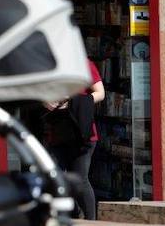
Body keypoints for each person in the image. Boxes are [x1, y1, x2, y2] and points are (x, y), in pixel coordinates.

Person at [42, 58, 104, 220]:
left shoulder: (85, 64)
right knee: (54, 176)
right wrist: (46, 101)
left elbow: (100, 93)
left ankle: (91, 221)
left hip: (81, 132)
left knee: (80, 178)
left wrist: (72, 101)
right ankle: (75, 212)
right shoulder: (49, 65)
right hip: (56, 131)